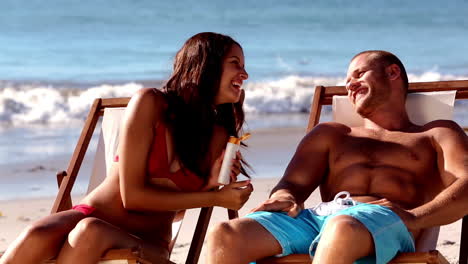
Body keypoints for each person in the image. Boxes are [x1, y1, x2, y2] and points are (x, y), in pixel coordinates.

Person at [0, 32, 253, 264]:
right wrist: (213, 197)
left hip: (147, 240)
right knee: (37, 233)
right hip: (93, 213)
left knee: (90, 232)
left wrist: (210, 186)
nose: (244, 74)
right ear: (205, 65)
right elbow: (131, 197)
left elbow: (175, 213)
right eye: (235, 64)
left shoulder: (219, 137)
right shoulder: (151, 103)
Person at [206, 50, 468, 264]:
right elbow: (293, 184)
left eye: (359, 74)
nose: (350, 85)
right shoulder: (331, 133)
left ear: (392, 72)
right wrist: (283, 198)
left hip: (387, 222)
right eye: (346, 81)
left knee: (342, 227)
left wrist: (416, 217)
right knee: (226, 234)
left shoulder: (436, 133)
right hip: (319, 219)